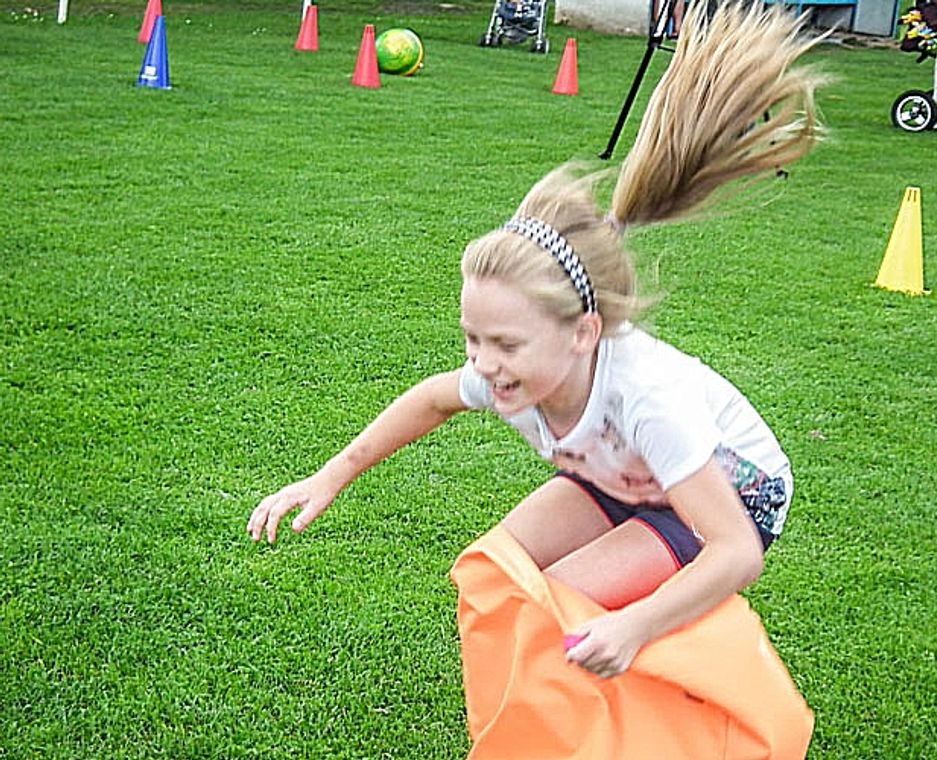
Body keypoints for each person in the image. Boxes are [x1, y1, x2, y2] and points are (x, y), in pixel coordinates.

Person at [247, 2, 825, 683]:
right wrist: (330, 475)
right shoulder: (511, 376)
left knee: (556, 613)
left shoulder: (644, 399)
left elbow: (735, 553)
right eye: (472, 338)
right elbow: (431, 401)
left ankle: (694, 712)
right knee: (492, 580)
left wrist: (635, 624)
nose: (485, 364)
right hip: (623, 478)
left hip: (727, 498)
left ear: (583, 334)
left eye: (507, 344)